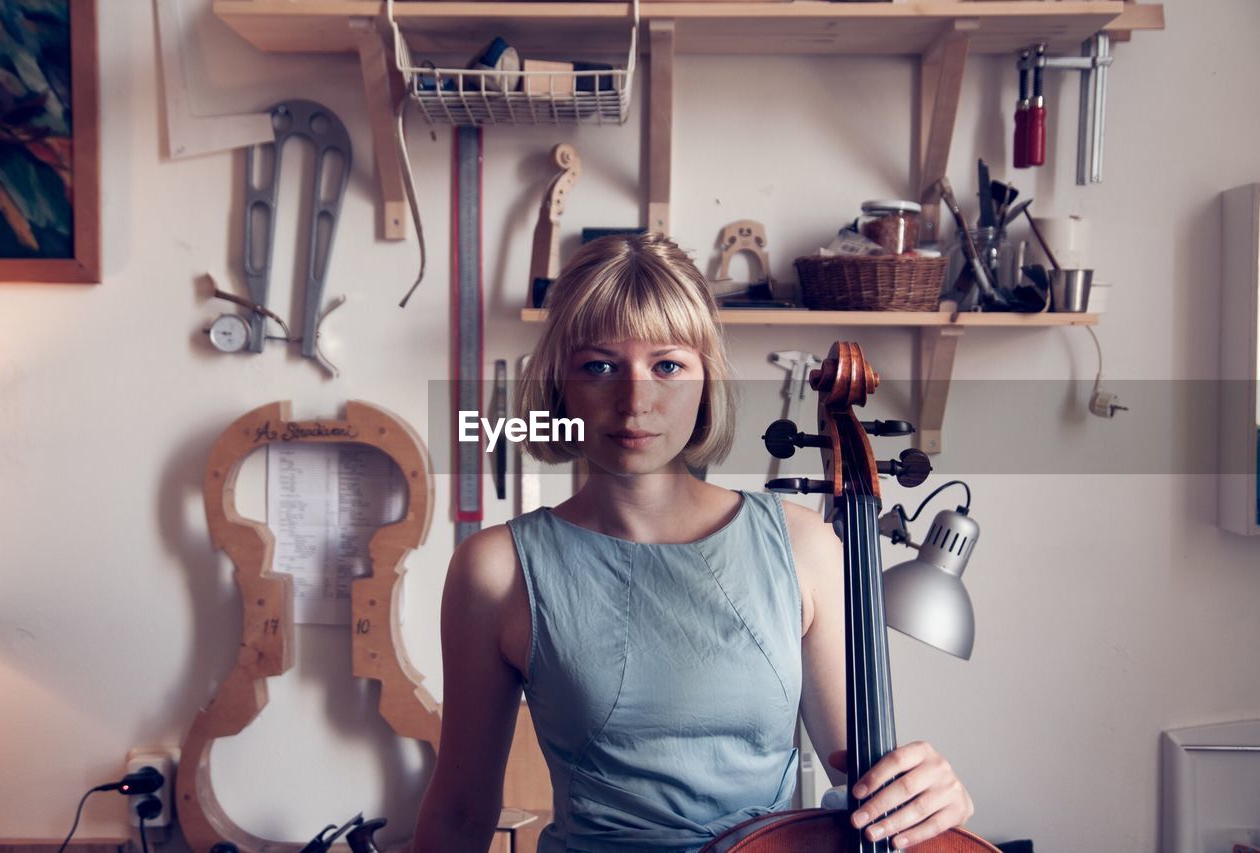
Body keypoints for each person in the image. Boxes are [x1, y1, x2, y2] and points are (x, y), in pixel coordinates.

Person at [413, 234, 974, 852]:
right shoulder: (495, 568)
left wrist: (927, 794)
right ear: (557, 387)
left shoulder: (805, 545)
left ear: (705, 380)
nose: (635, 401)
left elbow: (865, 784)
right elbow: (461, 813)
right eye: (599, 366)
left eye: (668, 365)